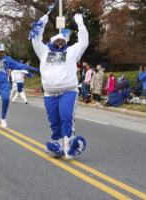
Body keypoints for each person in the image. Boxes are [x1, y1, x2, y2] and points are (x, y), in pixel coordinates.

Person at [30, 13, 88, 159]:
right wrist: (41, 23)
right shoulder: (44, 51)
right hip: (50, 94)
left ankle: (69, 147)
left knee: (66, 118)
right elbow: (36, 39)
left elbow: (83, 42)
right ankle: (59, 145)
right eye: (58, 41)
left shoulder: (71, 51)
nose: (60, 43)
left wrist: (81, 25)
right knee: (54, 123)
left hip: (68, 91)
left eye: (63, 41)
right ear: (52, 42)